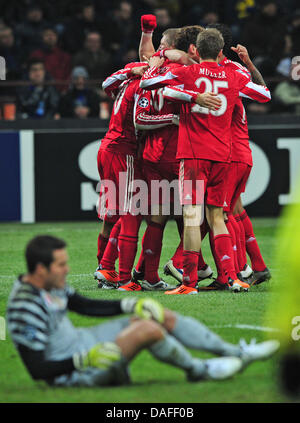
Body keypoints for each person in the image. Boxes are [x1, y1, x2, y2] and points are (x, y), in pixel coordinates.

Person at [6, 235, 280, 387]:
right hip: (74, 370)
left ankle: (237, 354)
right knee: (148, 329)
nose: (67, 270)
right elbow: (37, 369)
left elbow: (83, 305)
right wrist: (82, 360)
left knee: (154, 314)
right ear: (41, 269)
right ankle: (201, 370)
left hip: (83, 345)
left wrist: (129, 304)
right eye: (61, 265)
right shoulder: (23, 305)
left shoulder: (51, 284)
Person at [140, 29, 271, 294]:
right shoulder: (235, 75)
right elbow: (265, 95)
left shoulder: (188, 73)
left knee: (191, 216)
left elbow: (147, 84)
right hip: (223, 155)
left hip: (193, 154)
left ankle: (189, 282)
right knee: (218, 217)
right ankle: (233, 277)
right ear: (222, 51)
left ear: (196, 52)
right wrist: (247, 66)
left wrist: (188, 93)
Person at [30, 26, 71, 92]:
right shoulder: (35, 55)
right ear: (42, 37)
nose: (50, 37)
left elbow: (68, 75)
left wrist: (64, 89)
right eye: (47, 35)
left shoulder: (64, 56)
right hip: (40, 91)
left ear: (57, 37)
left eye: (53, 35)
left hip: (60, 90)